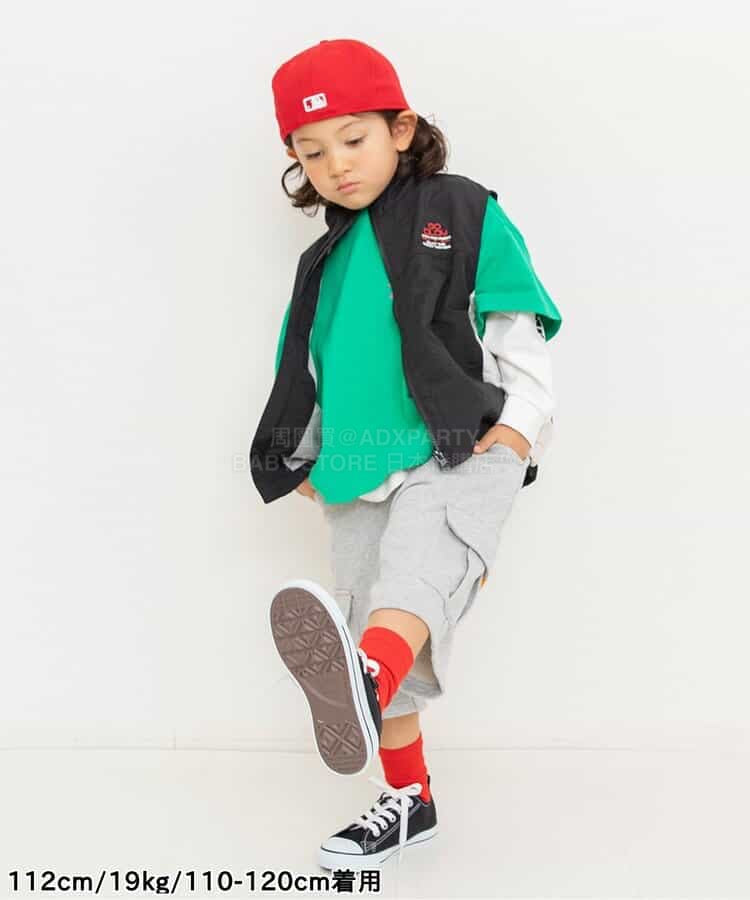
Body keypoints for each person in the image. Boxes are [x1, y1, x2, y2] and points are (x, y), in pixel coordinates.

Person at [250, 38, 563, 872]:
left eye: (353, 139)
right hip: (358, 466)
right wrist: (303, 455)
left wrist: (521, 424)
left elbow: (514, 320)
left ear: (400, 127)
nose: (336, 165)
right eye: (312, 152)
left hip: (460, 446)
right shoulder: (325, 258)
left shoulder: (460, 208)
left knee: (415, 584)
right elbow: (313, 362)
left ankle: (362, 683)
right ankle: (408, 801)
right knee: (373, 633)